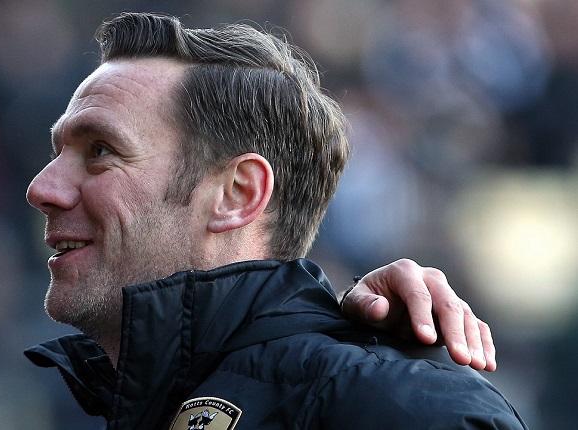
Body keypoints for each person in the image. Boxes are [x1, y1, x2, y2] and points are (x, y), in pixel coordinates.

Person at [25, 12, 524, 429]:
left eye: (101, 151)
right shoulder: (117, 402)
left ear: (237, 194)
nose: (42, 189)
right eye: (57, 153)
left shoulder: (398, 406)